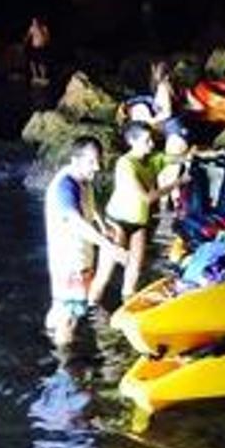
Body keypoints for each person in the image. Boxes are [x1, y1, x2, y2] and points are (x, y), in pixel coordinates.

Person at [89, 122, 188, 305]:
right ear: (132, 141)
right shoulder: (125, 164)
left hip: (139, 224)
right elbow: (146, 198)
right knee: (103, 275)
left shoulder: (154, 159)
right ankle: (91, 311)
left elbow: (179, 158)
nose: (152, 144)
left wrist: (200, 155)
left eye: (152, 139)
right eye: (147, 140)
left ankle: (127, 316)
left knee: (133, 274)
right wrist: (178, 183)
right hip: (117, 222)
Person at [45, 136, 128, 346]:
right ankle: (64, 362)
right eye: (91, 161)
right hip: (68, 261)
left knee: (65, 308)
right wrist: (108, 246)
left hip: (79, 257)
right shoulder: (65, 186)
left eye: (98, 160)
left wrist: (102, 224)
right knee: (68, 316)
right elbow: (75, 221)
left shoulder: (83, 180)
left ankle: (50, 337)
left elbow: (90, 206)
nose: (98, 167)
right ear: (75, 160)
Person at [24, 16, 51, 86]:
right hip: (34, 48)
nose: (34, 23)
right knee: (33, 62)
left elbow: (47, 38)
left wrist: (44, 42)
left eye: (35, 22)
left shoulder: (44, 28)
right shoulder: (32, 28)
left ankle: (43, 76)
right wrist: (25, 41)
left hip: (41, 48)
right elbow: (28, 36)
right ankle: (35, 75)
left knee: (41, 63)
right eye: (33, 22)